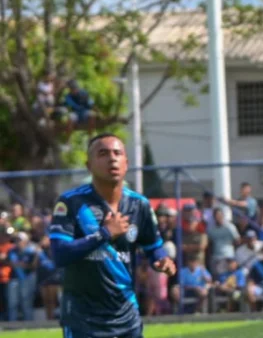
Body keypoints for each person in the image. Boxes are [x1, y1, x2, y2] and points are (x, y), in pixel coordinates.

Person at [48, 133, 176, 337]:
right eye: (103, 153)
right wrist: (105, 233)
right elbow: (60, 254)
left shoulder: (139, 205)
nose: (112, 158)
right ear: (89, 165)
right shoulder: (71, 202)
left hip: (126, 316)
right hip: (83, 319)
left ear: (126, 163)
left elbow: (153, 247)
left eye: (118, 153)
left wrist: (161, 260)